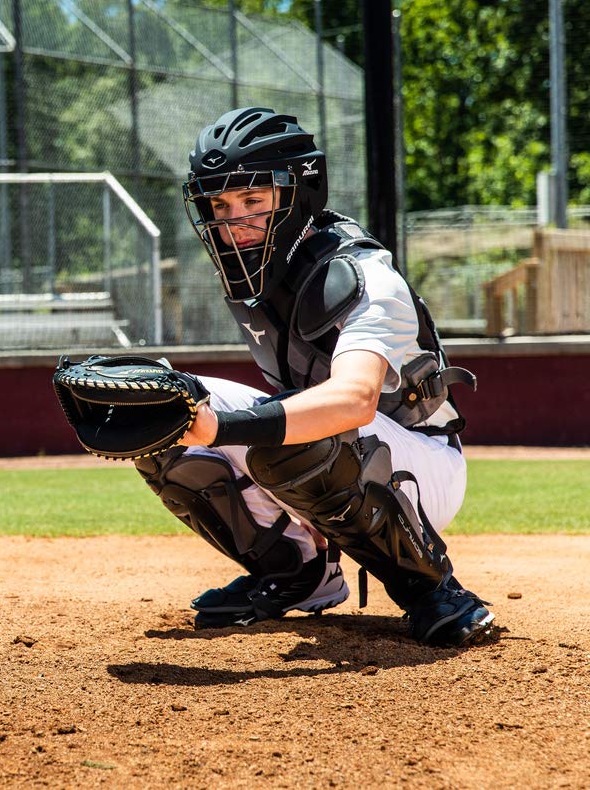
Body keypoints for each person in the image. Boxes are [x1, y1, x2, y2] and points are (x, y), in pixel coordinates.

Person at [135, 106, 494, 648]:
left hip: (421, 469)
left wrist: (222, 429)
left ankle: (433, 589)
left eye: (253, 201)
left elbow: (352, 401)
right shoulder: (255, 271)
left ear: (299, 193)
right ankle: (299, 574)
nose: (235, 222)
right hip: (342, 451)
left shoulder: (363, 275)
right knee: (158, 407)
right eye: (221, 204)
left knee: (298, 435)